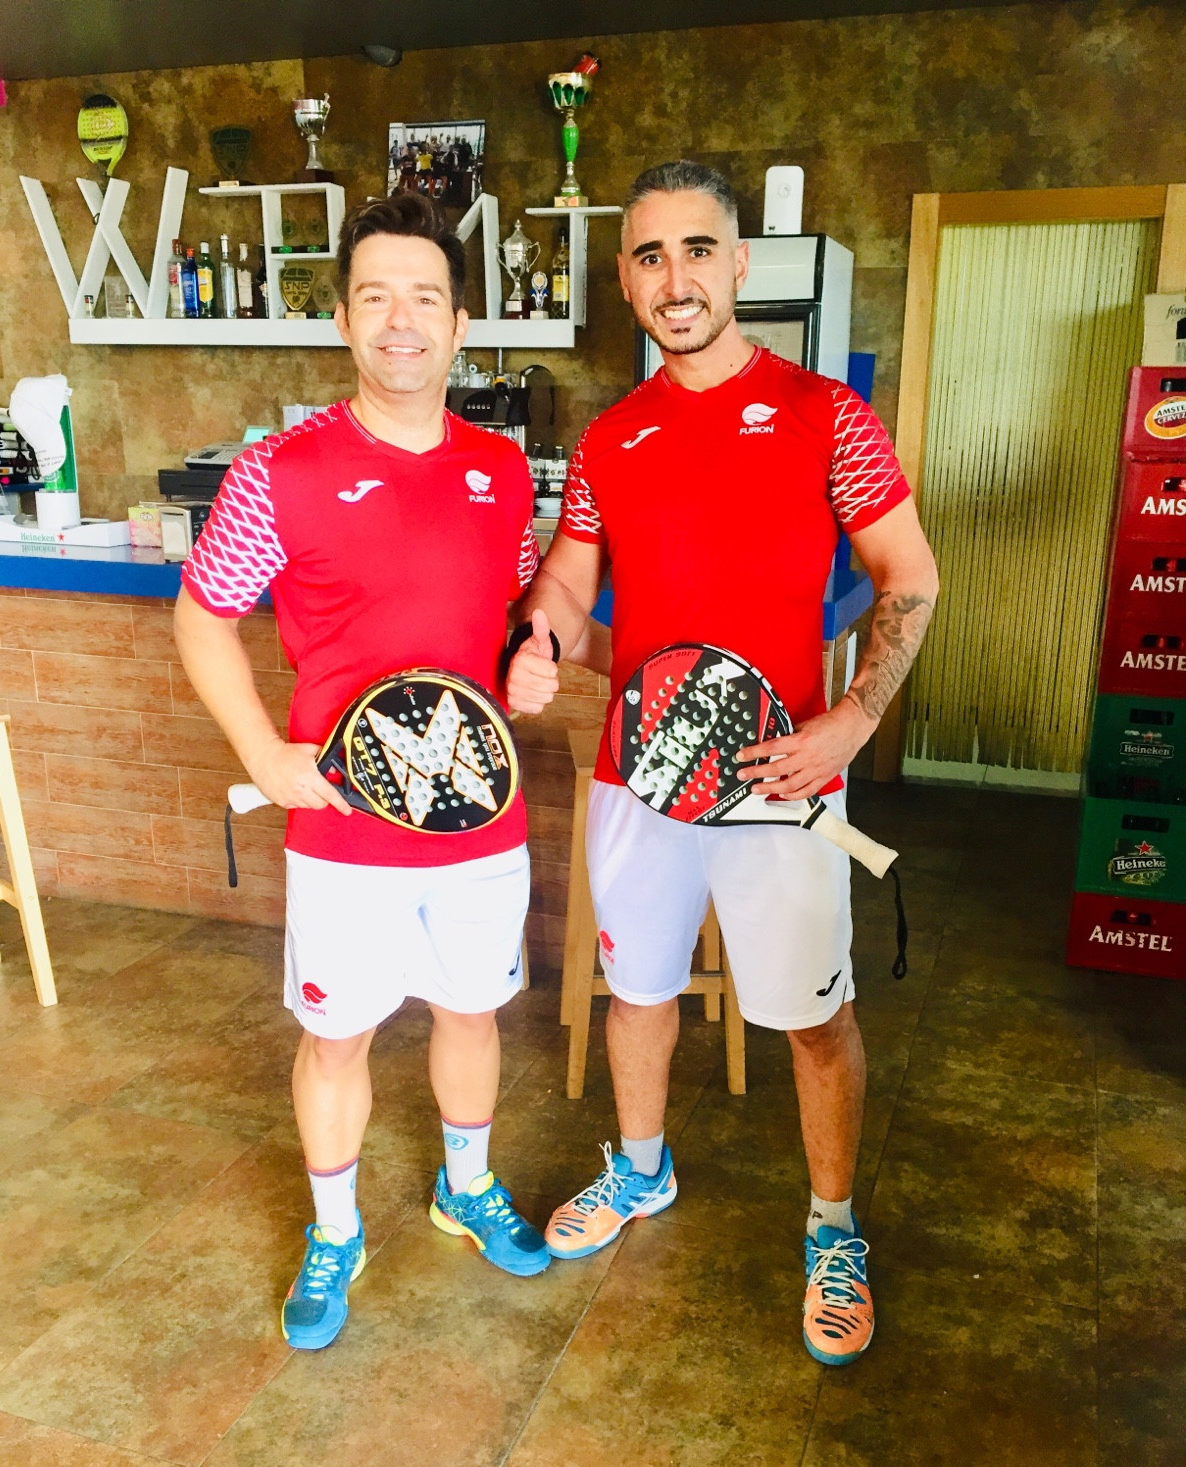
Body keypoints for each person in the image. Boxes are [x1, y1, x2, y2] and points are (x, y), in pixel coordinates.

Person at [506, 161, 939, 1367]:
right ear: (626, 279)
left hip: (780, 777)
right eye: (650, 256)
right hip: (636, 777)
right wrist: (541, 642)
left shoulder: (825, 415)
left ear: (740, 264)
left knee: (813, 1018)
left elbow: (910, 576)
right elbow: (573, 594)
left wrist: (851, 722)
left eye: (698, 250)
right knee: (639, 989)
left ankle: (834, 1227)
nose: (676, 278)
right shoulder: (612, 438)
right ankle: (642, 1168)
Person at [175, 193, 559, 1351]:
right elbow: (202, 618)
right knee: (337, 1036)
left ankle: (464, 1186)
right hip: (344, 828)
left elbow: (511, 612)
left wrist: (529, 656)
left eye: (425, 298)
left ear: (460, 323)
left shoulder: (502, 470)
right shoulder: (277, 472)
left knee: (472, 1011)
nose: (402, 320)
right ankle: (336, 1231)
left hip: (480, 816)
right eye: (377, 297)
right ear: (343, 319)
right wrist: (263, 753)